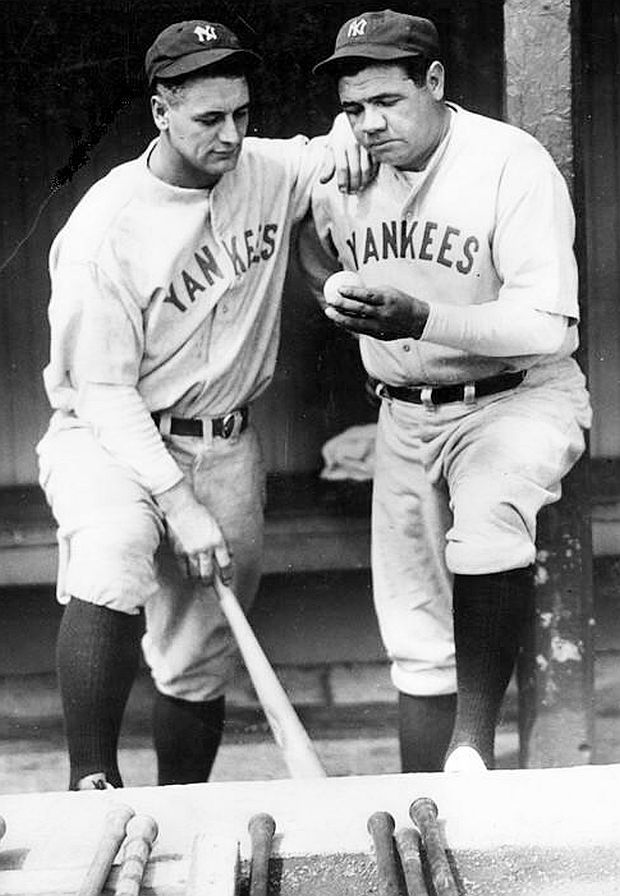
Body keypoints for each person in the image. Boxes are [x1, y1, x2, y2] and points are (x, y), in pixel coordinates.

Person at [37, 18, 372, 790]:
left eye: (242, 114)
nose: (231, 135)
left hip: (224, 439)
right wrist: (178, 503)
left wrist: (345, 140)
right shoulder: (107, 230)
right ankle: (91, 783)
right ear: (161, 112)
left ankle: (184, 807)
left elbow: (326, 151)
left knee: (198, 654)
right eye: (209, 119)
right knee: (116, 548)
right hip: (109, 435)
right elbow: (104, 392)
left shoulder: (264, 167)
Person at [299, 9, 592, 772]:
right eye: (353, 108)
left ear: (434, 82)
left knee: (489, 517)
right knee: (415, 634)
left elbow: (545, 323)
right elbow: (299, 227)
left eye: (388, 102)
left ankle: (471, 750)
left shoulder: (507, 161)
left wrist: (425, 316)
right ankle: (424, 801)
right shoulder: (348, 164)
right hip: (403, 413)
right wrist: (327, 284)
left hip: (518, 395)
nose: (369, 123)